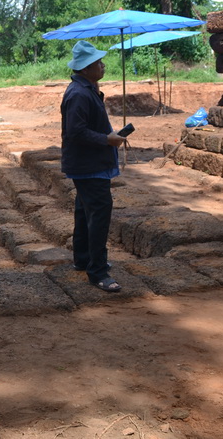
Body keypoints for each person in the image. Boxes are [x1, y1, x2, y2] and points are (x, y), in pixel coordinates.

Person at [60, 41, 127, 293]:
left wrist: (108, 135)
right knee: (99, 213)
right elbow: (75, 131)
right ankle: (98, 271)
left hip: (89, 163)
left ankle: (83, 258)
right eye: (98, 63)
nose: (103, 66)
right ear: (86, 68)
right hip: (89, 165)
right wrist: (106, 139)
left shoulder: (86, 89)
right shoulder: (79, 93)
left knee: (84, 210)